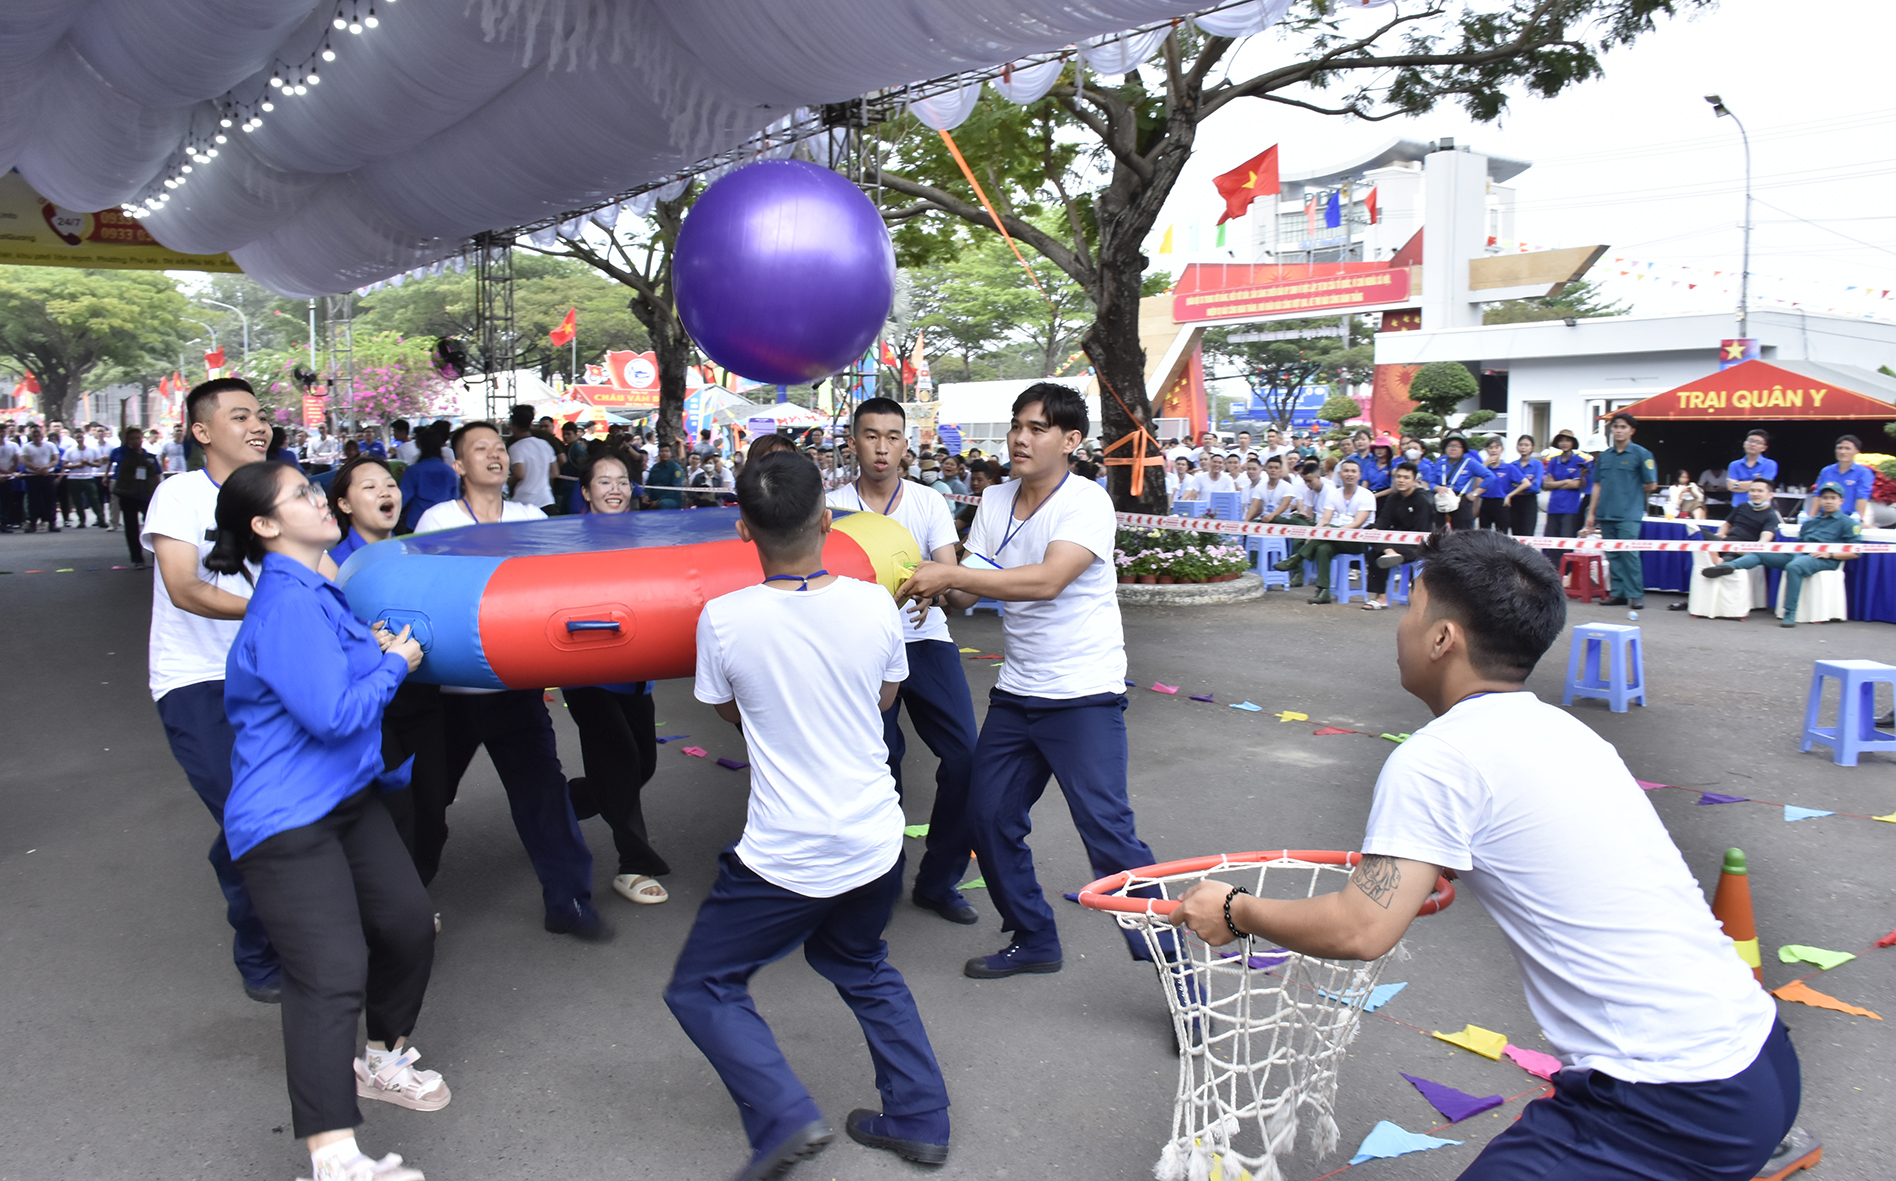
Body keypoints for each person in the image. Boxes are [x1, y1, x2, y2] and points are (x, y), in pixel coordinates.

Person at [1169, 528, 1799, 1181]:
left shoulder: (1437, 760)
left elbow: (1362, 927)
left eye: (1410, 607)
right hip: (1761, 1057)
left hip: (1670, 1100)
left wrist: (1236, 909)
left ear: (1443, 637)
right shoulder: (1565, 732)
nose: (1398, 626)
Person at [668, 450, 952, 1180]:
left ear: (741, 528)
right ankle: (920, 1115)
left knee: (702, 985)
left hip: (787, 852)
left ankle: (784, 1116)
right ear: (828, 521)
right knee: (856, 958)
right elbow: (882, 703)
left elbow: (736, 713)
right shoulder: (871, 603)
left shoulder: (724, 620)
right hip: (873, 836)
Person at [210, 461, 447, 1181]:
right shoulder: (284, 601)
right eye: (305, 494)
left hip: (346, 800)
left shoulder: (320, 589)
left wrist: (369, 649)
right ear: (265, 525)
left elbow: (331, 681)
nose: (321, 499)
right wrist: (395, 663)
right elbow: (334, 714)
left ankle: (380, 1058)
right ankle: (334, 1157)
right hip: (286, 820)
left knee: (408, 924)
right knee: (330, 972)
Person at [896, 383, 1160, 978]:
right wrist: (930, 585)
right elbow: (970, 588)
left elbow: (1046, 581)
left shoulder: (1087, 502)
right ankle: (1034, 936)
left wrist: (952, 574)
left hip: (1082, 695)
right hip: (1018, 694)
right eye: (1017, 425)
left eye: (1037, 428)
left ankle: (1174, 971)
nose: (1020, 437)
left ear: (1070, 440)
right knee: (988, 818)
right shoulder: (994, 501)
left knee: (1110, 841)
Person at [409, 423, 602, 936]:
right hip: (448, 692)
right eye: (481, 450)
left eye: (500, 449)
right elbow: (427, 593)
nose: (495, 456)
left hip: (514, 687)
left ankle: (571, 903)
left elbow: (552, 594)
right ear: (458, 466)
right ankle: (398, 902)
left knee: (543, 794)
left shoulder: (530, 517)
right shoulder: (438, 520)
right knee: (427, 802)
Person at [143, 378, 284, 1003]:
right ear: (202, 431)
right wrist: (272, 610)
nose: (258, 425)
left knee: (279, 812)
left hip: (273, 678)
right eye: (239, 416)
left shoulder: (278, 491)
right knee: (248, 818)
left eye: (260, 415)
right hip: (197, 682)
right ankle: (260, 953)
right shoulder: (180, 494)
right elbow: (184, 587)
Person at [830, 398, 982, 927]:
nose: (881, 447)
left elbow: (949, 574)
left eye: (892, 437)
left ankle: (938, 882)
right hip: (860, 650)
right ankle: (878, 879)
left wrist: (933, 586)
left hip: (926, 640)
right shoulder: (830, 506)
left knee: (967, 758)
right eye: (871, 436)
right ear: (854, 442)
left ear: (905, 446)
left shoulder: (926, 501)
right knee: (878, 765)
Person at [563, 453, 672, 907]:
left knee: (642, 764)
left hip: (635, 676)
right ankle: (634, 865)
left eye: (623, 481)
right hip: (586, 674)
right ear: (586, 491)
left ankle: (559, 804)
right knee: (622, 760)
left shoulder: (645, 536)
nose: (615, 489)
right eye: (603, 481)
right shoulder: (565, 540)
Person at [1703, 482, 1860, 627]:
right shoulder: (1811, 521)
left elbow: (1855, 552)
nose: (1828, 501)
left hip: (1823, 559)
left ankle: (1790, 613)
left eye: (1833, 498)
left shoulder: (1848, 523)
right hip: (1799, 553)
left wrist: (1830, 554)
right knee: (1760, 554)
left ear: (1841, 501)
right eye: (1825, 498)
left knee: (1794, 567)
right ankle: (1727, 566)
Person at [1581, 411, 1658, 610]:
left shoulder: (1641, 454)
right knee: (1613, 554)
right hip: (1606, 513)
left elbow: (1651, 484)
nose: (1618, 430)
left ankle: (1635, 594)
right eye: (1615, 427)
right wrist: (1591, 513)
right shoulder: (1605, 456)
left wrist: (1630, 489)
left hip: (1629, 514)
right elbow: (1597, 485)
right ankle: (1618, 593)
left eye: (1623, 427)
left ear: (1631, 431)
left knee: (1628, 554)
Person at [1671, 478, 1783, 612]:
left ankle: (1720, 562)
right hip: (1725, 543)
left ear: (1770, 494)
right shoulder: (1743, 506)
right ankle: (1717, 557)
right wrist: (1721, 533)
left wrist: (1747, 549)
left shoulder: (1771, 516)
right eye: (1752, 490)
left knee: (1736, 557)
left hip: (1743, 550)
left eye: (1760, 491)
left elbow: (1764, 540)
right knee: (1699, 530)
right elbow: (1727, 524)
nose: (1755, 494)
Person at [1274, 457, 1375, 604]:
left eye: (1353, 471)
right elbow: (1324, 519)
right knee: (1323, 548)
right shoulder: (1335, 493)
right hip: (1334, 537)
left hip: (1358, 539)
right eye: (1346, 471)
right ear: (1339, 474)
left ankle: (1297, 558)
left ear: (1359, 475)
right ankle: (1324, 591)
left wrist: (1332, 531)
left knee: (1327, 532)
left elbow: (1357, 523)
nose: (1349, 474)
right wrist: (1314, 534)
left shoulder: (1366, 495)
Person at [1364, 460, 1435, 610]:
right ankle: (1381, 597)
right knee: (1369, 531)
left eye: (1406, 477)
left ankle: (1388, 553)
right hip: (1395, 541)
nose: (1401, 480)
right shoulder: (1394, 497)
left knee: (1376, 554)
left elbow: (1420, 532)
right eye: (1399, 477)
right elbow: (1384, 520)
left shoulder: (1422, 499)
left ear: (1415, 481)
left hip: (1416, 544)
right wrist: (1375, 530)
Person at [327, 456, 403, 565]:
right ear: (345, 505)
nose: (385, 492)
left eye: (390, 485)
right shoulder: (336, 568)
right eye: (370, 487)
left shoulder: (416, 552)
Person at [110, 426, 162, 568]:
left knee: (152, 528)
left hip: (146, 495)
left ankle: (156, 557)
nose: (136, 441)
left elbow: (157, 476)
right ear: (127, 440)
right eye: (132, 438)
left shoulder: (150, 458)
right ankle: (137, 558)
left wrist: (159, 493)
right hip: (129, 495)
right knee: (131, 528)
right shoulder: (124, 453)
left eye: (138, 438)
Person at [396, 422, 459, 531]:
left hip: (416, 523)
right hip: (445, 523)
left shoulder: (413, 471)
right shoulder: (450, 472)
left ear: (419, 445)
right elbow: (456, 500)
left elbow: (402, 499)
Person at [1541, 430, 1590, 544]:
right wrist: (1567, 481)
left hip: (1570, 509)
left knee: (1567, 543)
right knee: (1551, 543)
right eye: (1561, 440)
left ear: (1573, 443)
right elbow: (1546, 484)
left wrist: (1556, 483)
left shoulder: (1579, 461)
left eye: (1567, 440)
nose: (1564, 443)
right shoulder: (1553, 461)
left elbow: (1577, 484)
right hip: (1553, 507)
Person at [505, 404, 557, 512]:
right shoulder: (545, 444)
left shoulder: (515, 448)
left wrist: (506, 483)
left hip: (524, 501)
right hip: (547, 500)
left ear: (513, 426)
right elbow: (555, 472)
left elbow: (519, 474)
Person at [1433, 435, 1489, 532]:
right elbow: (1431, 481)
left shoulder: (1470, 462)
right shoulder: (1440, 462)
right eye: (1450, 445)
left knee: (1463, 534)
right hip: (1443, 499)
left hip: (1462, 499)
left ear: (1463, 449)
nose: (1453, 448)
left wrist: (1475, 493)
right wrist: (1437, 488)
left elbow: (1490, 477)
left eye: (1457, 446)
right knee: (1440, 532)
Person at [1815, 434, 1874, 522]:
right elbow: (1817, 495)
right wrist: (1812, 517)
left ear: (1857, 452)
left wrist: (1860, 520)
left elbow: (1862, 496)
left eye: (1847, 448)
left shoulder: (1864, 472)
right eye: (1839, 448)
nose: (1842, 452)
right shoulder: (1826, 471)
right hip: (1825, 517)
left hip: (1848, 519)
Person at [19, 422, 60, 532]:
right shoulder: (26, 447)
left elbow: (55, 459)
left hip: (47, 476)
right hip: (33, 477)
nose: (36, 434)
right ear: (30, 435)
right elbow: (25, 461)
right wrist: (37, 469)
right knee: (33, 501)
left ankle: (52, 523)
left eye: (38, 432)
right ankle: (32, 524)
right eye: (34, 433)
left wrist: (46, 467)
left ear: (42, 433)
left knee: (50, 500)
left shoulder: (50, 445)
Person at [1505, 434, 1545, 536]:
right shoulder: (1512, 465)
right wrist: (1525, 485)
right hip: (1514, 502)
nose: (1523, 447)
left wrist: (1518, 487)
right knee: (1515, 533)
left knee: (1528, 533)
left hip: (1529, 502)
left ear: (1532, 447)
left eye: (1526, 445)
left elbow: (1536, 487)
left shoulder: (1537, 464)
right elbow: (1508, 486)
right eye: (1521, 445)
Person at [1475, 437, 1514, 531]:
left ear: (1502, 449)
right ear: (1486, 450)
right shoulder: (1482, 466)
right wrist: (1484, 465)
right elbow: (1477, 484)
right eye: (1490, 447)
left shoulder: (1508, 467)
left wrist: (1510, 495)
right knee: (1484, 533)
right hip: (1486, 501)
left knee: (1501, 533)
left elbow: (1525, 483)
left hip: (1501, 503)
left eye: (1497, 447)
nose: (1493, 450)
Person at [1725, 430, 1776, 496]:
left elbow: (1762, 486)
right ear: (1744, 444)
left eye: (1758, 442)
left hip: (1759, 504)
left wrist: (1736, 484)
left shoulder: (1770, 464)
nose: (1753, 444)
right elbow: (1730, 487)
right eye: (1750, 440)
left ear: (1764, 448)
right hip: (1738, 505)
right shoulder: (1734, 465)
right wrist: (1754, 485)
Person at [646, 442, 686, 509]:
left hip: (671, 499)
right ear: (658, 453)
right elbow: (649, 484)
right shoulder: (654, 468)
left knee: (663, 504)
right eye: (662, 451)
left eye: (667, 451)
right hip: (653, 498)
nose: (664, 453)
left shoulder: (676, 469)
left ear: (670, 453)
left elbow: (675, 488)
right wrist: (646, 495)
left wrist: (658, 501)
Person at [0, 426, 20, 532]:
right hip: (4, 475)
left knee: (6, 502)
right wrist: (4, 472)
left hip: (8, 478)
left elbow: (16, 460)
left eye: (3, 431)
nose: (2, 433)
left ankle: (4, 522)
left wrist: (8, 473)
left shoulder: (13, 445)